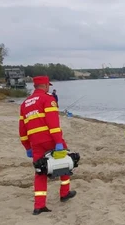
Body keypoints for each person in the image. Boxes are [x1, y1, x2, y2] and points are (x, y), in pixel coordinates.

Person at [19, 76, 76, 215]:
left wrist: (27, 147)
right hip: (50, 139)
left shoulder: (24, 104)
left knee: (40, 171)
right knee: (65, 164)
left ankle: (39, 206)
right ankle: (64, 193)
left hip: (35, 142)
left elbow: (22, 128)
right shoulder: (48, 99)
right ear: (44, 85)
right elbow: (53, 124)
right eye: (48, 85)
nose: (49, 87)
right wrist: (58, 142)